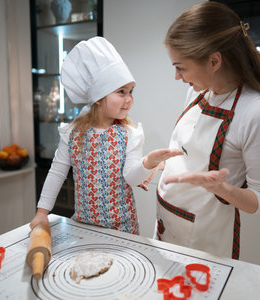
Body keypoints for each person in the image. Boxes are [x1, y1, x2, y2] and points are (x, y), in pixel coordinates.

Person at [154, 2, 260, 259]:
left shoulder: (258, 113)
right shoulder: (197, 93)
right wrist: (163, 166)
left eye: (180, 67)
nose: (177, 77)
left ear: (214, 60)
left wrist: (222, 189)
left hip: (204, 241)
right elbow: (189, 152)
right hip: (167, 223)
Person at [30, 37, 182, 234]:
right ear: (99, 97)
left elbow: (132, 178)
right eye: (121, 92)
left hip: (123, 228)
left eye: (131, 92)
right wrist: (42, 212)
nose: (129, 99)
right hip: (84, 226)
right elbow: (57, 173)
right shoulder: (73, 134)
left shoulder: (130, 133)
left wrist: (148, 163)